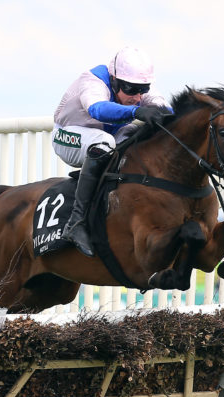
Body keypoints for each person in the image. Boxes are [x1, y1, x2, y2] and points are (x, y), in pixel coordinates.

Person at [51, 47, 172, 257]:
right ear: (114, 80)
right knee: (105, 141)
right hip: (67, 136)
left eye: (142, 90)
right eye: (131, 90)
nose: (137, 96)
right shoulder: (92, 81)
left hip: (100, 137)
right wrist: (137, 111)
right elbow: (97, 109)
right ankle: (76, 222)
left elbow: (166, 110)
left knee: (137, 136)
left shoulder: (136, 87)